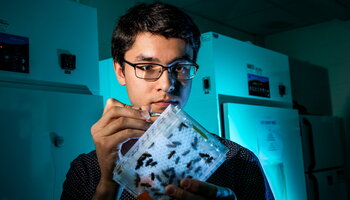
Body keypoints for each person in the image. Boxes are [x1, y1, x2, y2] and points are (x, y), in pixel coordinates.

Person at [61, 2, 274, 200]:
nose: (167, 84)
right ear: (120, 71)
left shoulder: (240, 162)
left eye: (180, 67)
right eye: (146, 67)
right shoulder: (86, 171)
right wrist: (108, 185)